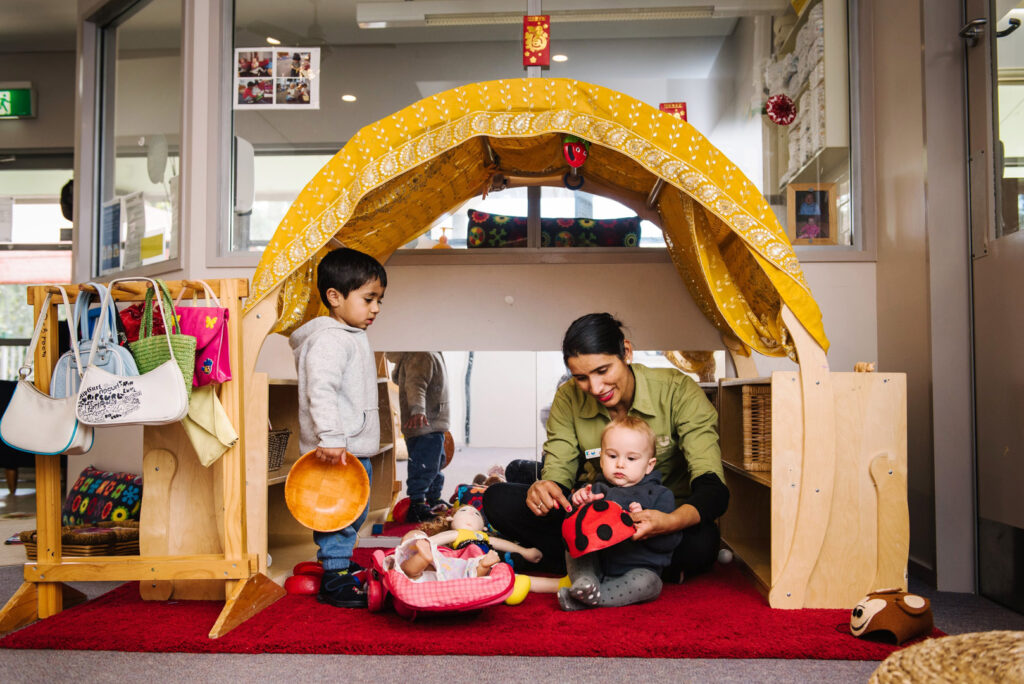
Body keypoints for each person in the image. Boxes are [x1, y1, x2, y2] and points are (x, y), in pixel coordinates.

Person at [483, 312, 728, 582]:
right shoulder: (568, 397)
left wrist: (668, 522)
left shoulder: (678, 391)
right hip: (590, 515)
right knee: (497, 499)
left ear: (626, 352)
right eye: (581, 377)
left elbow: (713, 489)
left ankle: (577, 561)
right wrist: (547, 488)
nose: (596, 388)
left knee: (703, 542)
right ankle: (637, 567)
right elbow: (559, 475)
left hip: (657, 520)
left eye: (602, 371)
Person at [289, 247, 387, 608]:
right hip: (335, 450)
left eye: (379, 300)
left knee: (353, 512)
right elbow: (321, 389)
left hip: (352, 447)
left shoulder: (351, 334)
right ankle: (335, 578)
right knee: (338, 512)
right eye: (368, 299)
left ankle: (337, 564)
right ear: (334, 297)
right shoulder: (330, 339)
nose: (375, 308)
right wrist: (330, 436)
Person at [557, 416, 682, 611]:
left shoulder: (660, 495)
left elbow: (670, 542)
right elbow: (572, 528)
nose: (620, 464)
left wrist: (648, 524)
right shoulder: (596, 489)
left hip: (637, 570)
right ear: (601, 459)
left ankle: (595, 597)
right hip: (596, 564)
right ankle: (585, 581)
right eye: (612, 456)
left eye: (631, 458)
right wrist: (579, 505)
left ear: (650, 465)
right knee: (574, 546)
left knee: (649, 584)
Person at [390, 352, 450, 522]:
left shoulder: (431, 351)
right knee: (424, 465)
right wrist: (417, 410)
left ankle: (433, 499)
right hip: (425, 426)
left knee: (436, 464)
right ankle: (417, 503)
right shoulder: (422, 353)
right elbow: (415, 384)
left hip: (433, 424)